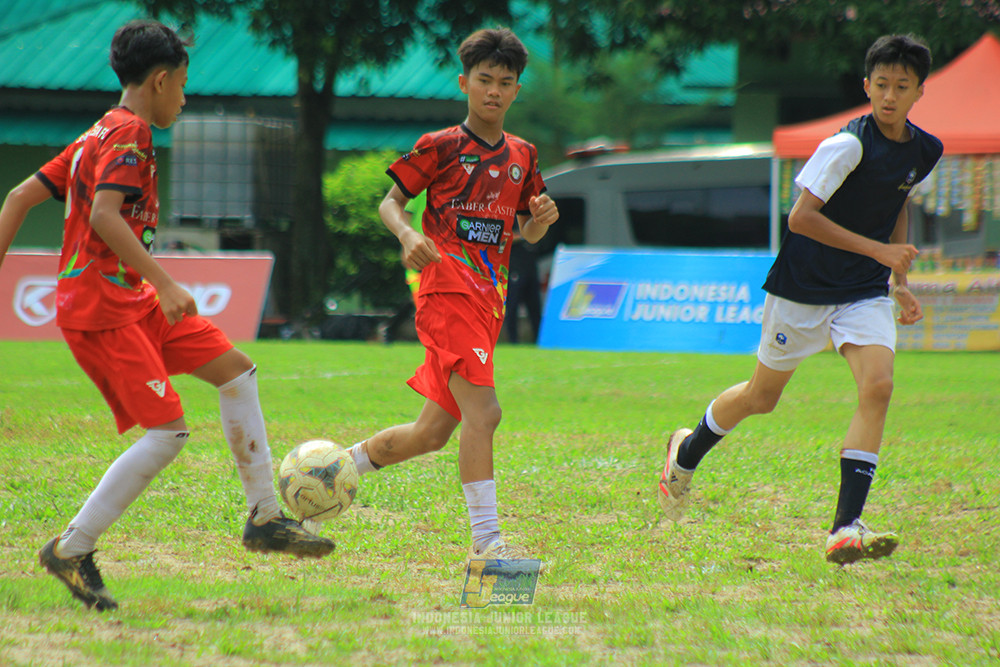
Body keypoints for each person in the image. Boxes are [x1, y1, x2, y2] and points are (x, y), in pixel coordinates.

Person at [0, 20, 333, 612]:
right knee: (168, 432)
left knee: (236, 371)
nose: (183, 98)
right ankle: (72, 548)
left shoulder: (93, 134)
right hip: (104, 308)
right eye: (182, 85)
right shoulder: (130, 134)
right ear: (159, 81)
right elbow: (105, 216)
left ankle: (264, 519)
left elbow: (19, 198)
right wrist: (166, 281)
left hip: (130, 301)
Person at [658, 34, 942, 566]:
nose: (889, 96)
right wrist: (879, 250)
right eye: (880, 85)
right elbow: (801, 218)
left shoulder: (924, 149)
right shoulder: (847, 145)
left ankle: (845, 527)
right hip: (804, 288)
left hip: (862, 293)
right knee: (761, 398)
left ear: (919, 92)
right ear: (866, 86)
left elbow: (895, 201)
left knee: (878, 386)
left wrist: (896, 279)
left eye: (901, 87)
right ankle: (686, 451)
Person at [346, 27, 559, 561]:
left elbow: (523, 232)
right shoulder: (440, 146)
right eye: (483, 80)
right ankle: (487, 546)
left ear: (516, 90)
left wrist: (539, 222)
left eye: (504, 82)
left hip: (489, 302)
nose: (493, 91)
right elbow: (390, 203)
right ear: (464, 82)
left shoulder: (524, 156)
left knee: (431, 433)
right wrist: (409, 234)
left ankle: (334, 469)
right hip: (446, 291)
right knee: (484, 414)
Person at [504, 222, 542, 344]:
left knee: (534, 306)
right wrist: (524, 235)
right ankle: (513, 340)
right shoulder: (510, 215)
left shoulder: (531, 214)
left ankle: (539, 339)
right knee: (512, 306)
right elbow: (504, 237)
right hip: (515, 268)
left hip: (531, 267)